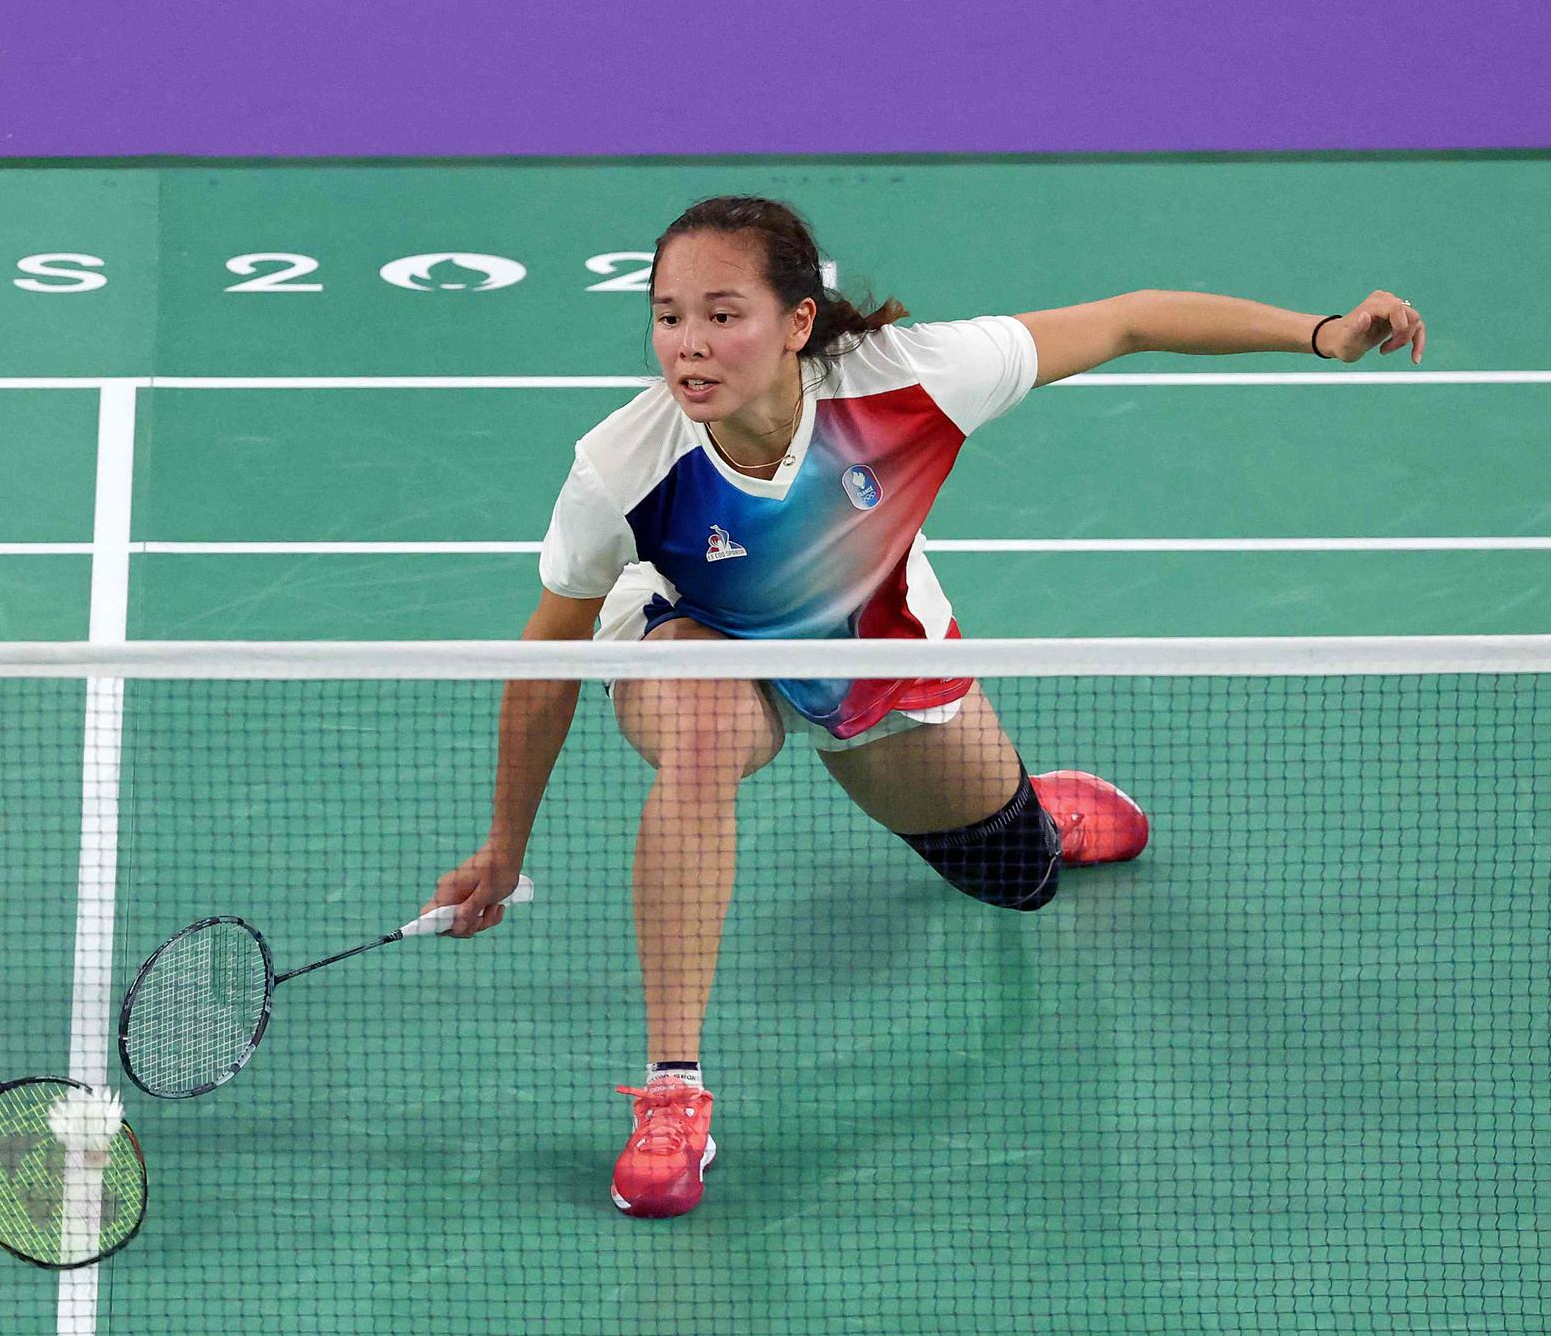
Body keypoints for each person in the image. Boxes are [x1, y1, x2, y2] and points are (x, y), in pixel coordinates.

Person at [431, 193, 1427, 1221]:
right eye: (669, 315)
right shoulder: (622, 468)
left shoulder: (910, 382)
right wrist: (506, 844)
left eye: (723, 314)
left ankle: (1034, 811)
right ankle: (673, 1093)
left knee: (1019, 878)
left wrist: (1321, 334)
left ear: (798, 324)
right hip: (695, 630)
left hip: (873, 654)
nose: (689, 345)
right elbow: (543, 661)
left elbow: (1129, 318)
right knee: (700, 736)